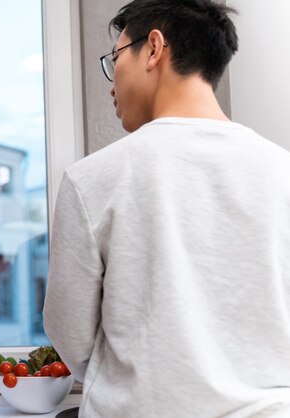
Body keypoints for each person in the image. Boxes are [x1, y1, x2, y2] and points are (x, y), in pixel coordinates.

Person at [43, 1, 290, 417]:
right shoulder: (283, 170)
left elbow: (71, 338)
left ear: (154, 48)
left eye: (115, 58)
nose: (111, 83)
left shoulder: (94, 178)